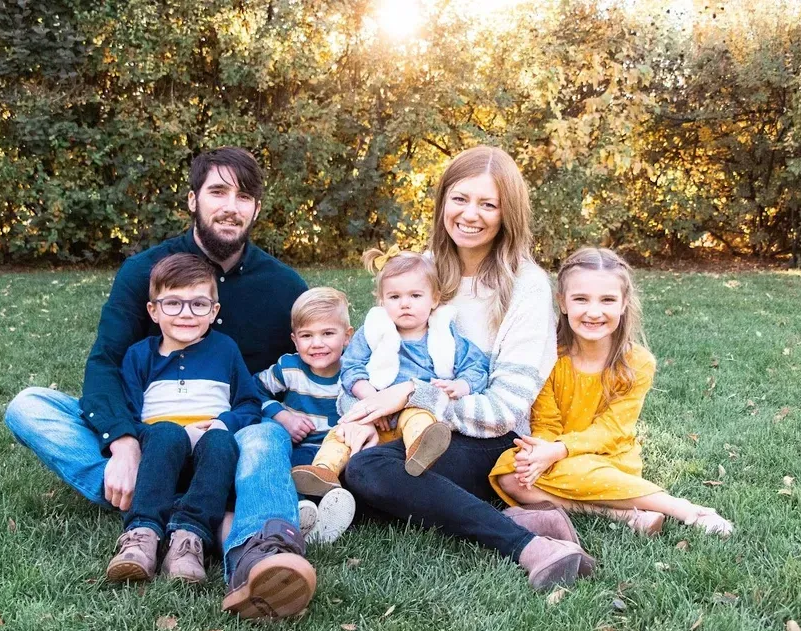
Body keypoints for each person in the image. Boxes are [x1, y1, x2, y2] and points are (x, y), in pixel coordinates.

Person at [5, 147, 317, 619]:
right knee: (30, 406)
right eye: (217, 191)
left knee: (267, 434)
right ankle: (202, 515)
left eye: (245, 195)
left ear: (256, 208)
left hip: (232, 440)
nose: (231, 205)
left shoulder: (285, 286)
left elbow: (302, 368)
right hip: (153, 437)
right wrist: (125, 444)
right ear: (193, 200)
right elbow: (106, 363)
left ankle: (257, 555)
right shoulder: (144, 273)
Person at [339, 146, 596, 591]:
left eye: (488, 204)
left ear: (507, 213)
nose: (470, 214)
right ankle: (521, 516)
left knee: (367, 474)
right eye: (460, 199)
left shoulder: (526, 286)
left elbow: (502, 409)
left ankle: (529, 547)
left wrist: (410, 395)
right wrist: (360, 414)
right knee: (352, 477)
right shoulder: (424, 271)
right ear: (442, 203)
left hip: (488, 440)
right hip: (403, 427)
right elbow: (371, 354)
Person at [489, 247, 734, 537]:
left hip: (608, 457)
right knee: (508, 474)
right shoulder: (548, 357)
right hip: (556, 453)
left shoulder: (637, 363)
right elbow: (546, 422)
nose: (594, 312)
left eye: (607, 300)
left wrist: (560, 451)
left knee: (582, 470)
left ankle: (682, 508)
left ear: (623, 303)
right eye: (581, 299)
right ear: (563, 303)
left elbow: (611, 430)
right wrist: (539, 453)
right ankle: (621, 514)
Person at [107, 254, 259, 583]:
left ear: (214, 311)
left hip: (209, 456)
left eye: (198, 304)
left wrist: (222, 424)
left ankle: (188, 539)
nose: (186, 314)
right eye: (173, 303)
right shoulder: (140, 355)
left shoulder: (225, 350)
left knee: (220, 440)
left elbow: (249, 403)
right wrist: (148, 436)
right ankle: (142, 534)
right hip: (158, 455)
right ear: (154, 310)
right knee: (166, 433)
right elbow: (129, 411)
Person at [338, 247, 490, 476]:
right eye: (394, 297)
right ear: (382, 301)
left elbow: (476, 366)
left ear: (434, 299)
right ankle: (323, 472)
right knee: (343, 434)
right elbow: (350, 367)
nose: (405, 304)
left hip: (415, 408)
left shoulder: (444, 335)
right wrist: (372, 400)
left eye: (415, 296)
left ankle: (420, 455)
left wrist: (461, 385)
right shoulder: (373, 332)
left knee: (419, 421)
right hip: (375, 410)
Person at [255, 287, 357, 543]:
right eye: (307, 335)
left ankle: (330, 515)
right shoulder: (289, 368)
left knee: (353, 474)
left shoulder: (354, 374)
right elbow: (252, 390)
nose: (317, 343)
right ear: (295, 340)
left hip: (340, 453)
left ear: (347, 337)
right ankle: (301, 512)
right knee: (290, 470)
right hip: (302, 447)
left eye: (328, 333)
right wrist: (281, 416)